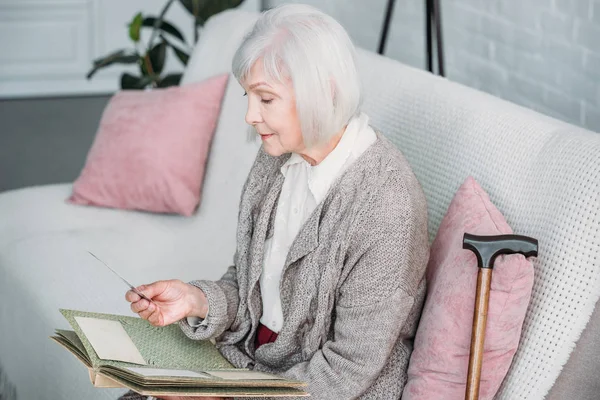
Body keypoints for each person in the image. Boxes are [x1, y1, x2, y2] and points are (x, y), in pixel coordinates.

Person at [120, 4, 429, 399]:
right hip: (252, 368)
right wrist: (195, 300)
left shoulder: (386, 207)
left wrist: (223, 396)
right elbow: (248, 284)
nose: (250, 115)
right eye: (248, 96)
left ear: (325, 92)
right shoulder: (276, 156)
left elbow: (348, 370)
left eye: (266, 99)